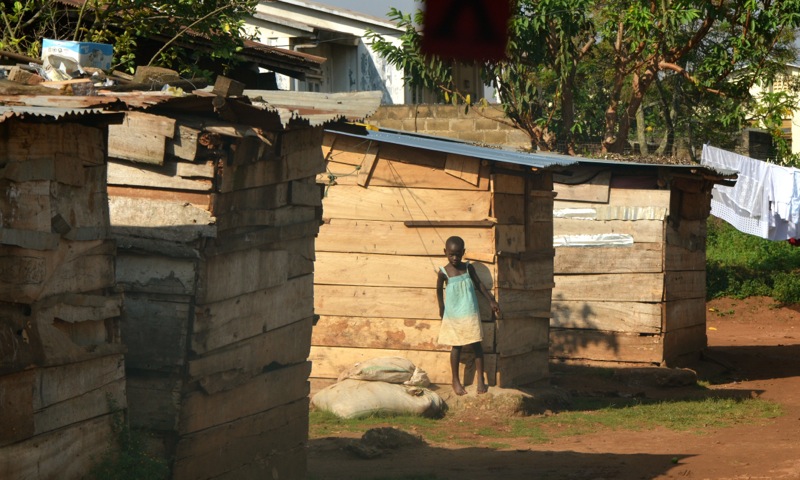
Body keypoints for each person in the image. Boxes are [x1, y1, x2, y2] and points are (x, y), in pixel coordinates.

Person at [436, 236, 500, 395]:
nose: (455, 258)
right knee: (456, 346)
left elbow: (479, 285)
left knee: (476, 345)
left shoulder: (468, 268)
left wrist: (491, 301)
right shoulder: (444, 272)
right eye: (451, 255)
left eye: (458, 254)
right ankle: (455, 381)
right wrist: (441, 307)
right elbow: (438, 290)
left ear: (463, 252)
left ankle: (480, 380)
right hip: (454, 315)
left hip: (470, 312)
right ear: (445, 252)